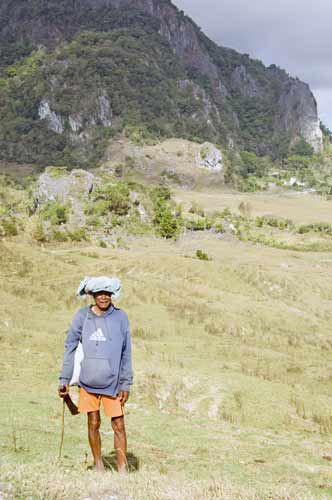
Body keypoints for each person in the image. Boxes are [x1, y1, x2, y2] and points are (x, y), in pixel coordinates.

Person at [58, 276, 133, 472]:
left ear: (112, 294)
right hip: (88, 381)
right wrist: (64, 378)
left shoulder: (120, 317)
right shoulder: (82, 316)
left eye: (107, 293)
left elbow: (126, 352)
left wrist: (126, 383)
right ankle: (98, 465)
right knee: (93, 422)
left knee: (118, 425)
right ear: (91, 294)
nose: (104, 297)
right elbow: (70, 347)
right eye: (99, 293)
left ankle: (122, 470)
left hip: (113, 383)